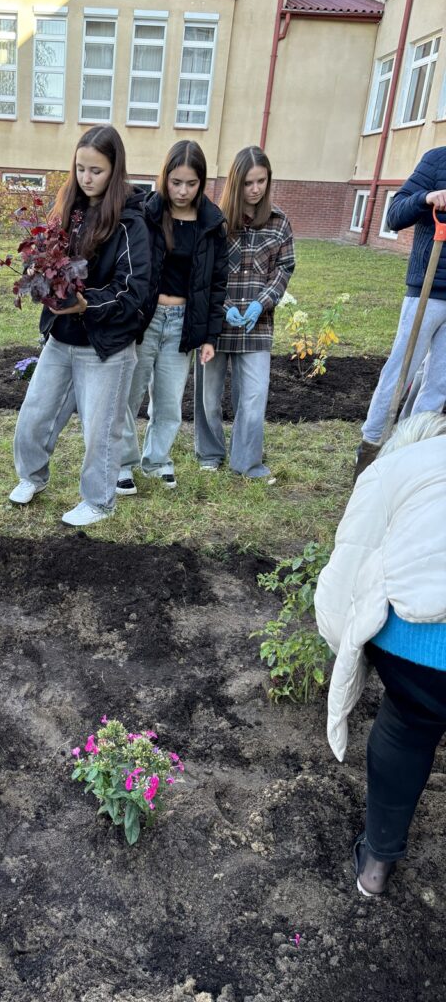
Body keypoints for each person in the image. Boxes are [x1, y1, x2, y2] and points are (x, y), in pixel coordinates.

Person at [316, 411, 446, 896]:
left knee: (408, 727)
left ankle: (375, 866)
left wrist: (343, 645)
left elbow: (347, 566)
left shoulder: (391, 469)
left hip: (416, 650)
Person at [9, 124, 150, 527]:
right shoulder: (66, 211)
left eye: (97, 171)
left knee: (100, 432)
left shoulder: (130, 223)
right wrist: (40, 280)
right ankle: (31, 476)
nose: (87, 179)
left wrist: (88, 304)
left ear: (115, 170)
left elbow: (132, 289)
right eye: (81, 168)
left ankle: (99, 501)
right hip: (62, 336)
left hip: (106, 344)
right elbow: (46, 263)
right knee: (35, 415)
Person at [117, 140, 228, 495]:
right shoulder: (148, 214)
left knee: (168, 401)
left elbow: (216, 284)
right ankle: (122, 463)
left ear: (202, 182)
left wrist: (210, 336)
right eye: (176, 182)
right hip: (145, 321)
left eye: (191, 183)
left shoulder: (212, 224)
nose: (182, 191)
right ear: (164, 178)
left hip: (183, 323)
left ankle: (157, 459)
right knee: (129, 396)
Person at [194, 146, 295, 478]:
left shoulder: (279, 224)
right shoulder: (216, 222)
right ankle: (209, 452)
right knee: (208, 397)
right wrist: (221, 308)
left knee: (253, 398)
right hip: (216, 326)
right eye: (249, 182)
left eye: (262, 181)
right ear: (236, 183)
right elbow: (203, 272)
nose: (256, 189)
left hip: (257, 326)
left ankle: (246, 461)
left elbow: (284, 268)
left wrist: (260, 303)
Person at [354, 147, 446, 480]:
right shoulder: (437, 161)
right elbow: (394, 215)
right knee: (399, 372)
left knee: (439, 384)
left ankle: (410, 457)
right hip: (427, 290)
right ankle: (370, 449)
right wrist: (427, 198)